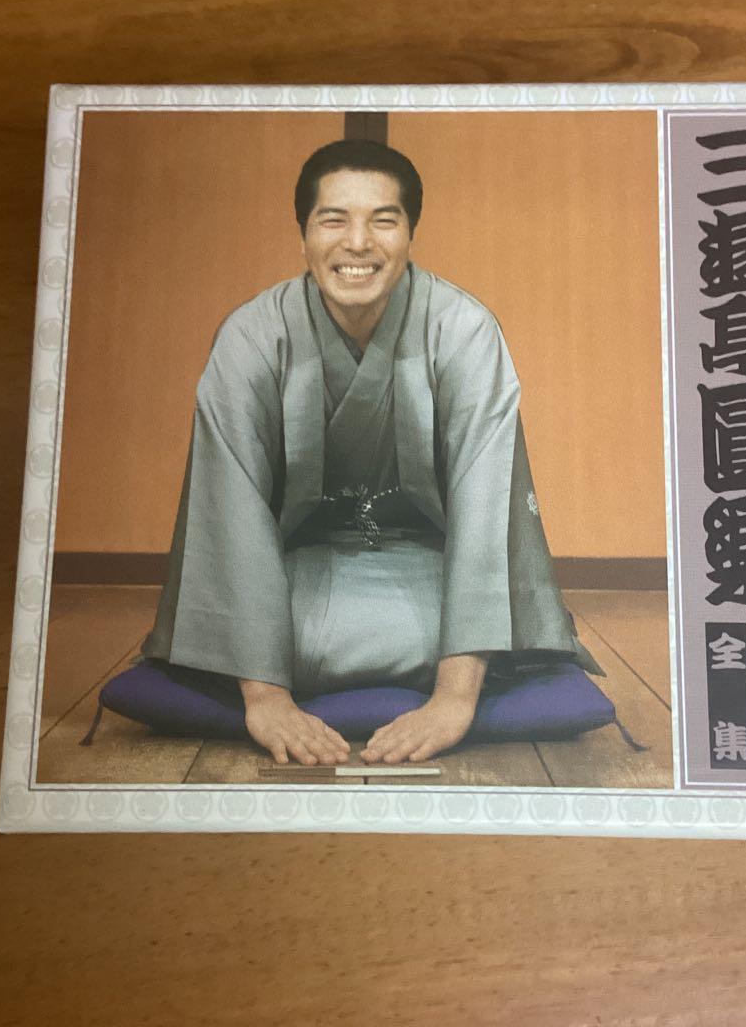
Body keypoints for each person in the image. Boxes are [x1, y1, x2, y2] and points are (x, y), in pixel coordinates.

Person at [140, 139, 599, 768]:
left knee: (470, 626)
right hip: (287, 571)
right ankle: (267, 666)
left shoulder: (463, 331)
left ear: (410, 233)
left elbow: (487, 506)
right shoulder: (252, 336)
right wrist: (265, 696)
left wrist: (454, 698)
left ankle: (450, 665)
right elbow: (231, 509)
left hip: (435, 570)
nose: (358, 243)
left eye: (384, 220)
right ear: (303, 233)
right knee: (269, 632)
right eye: (333, 220)